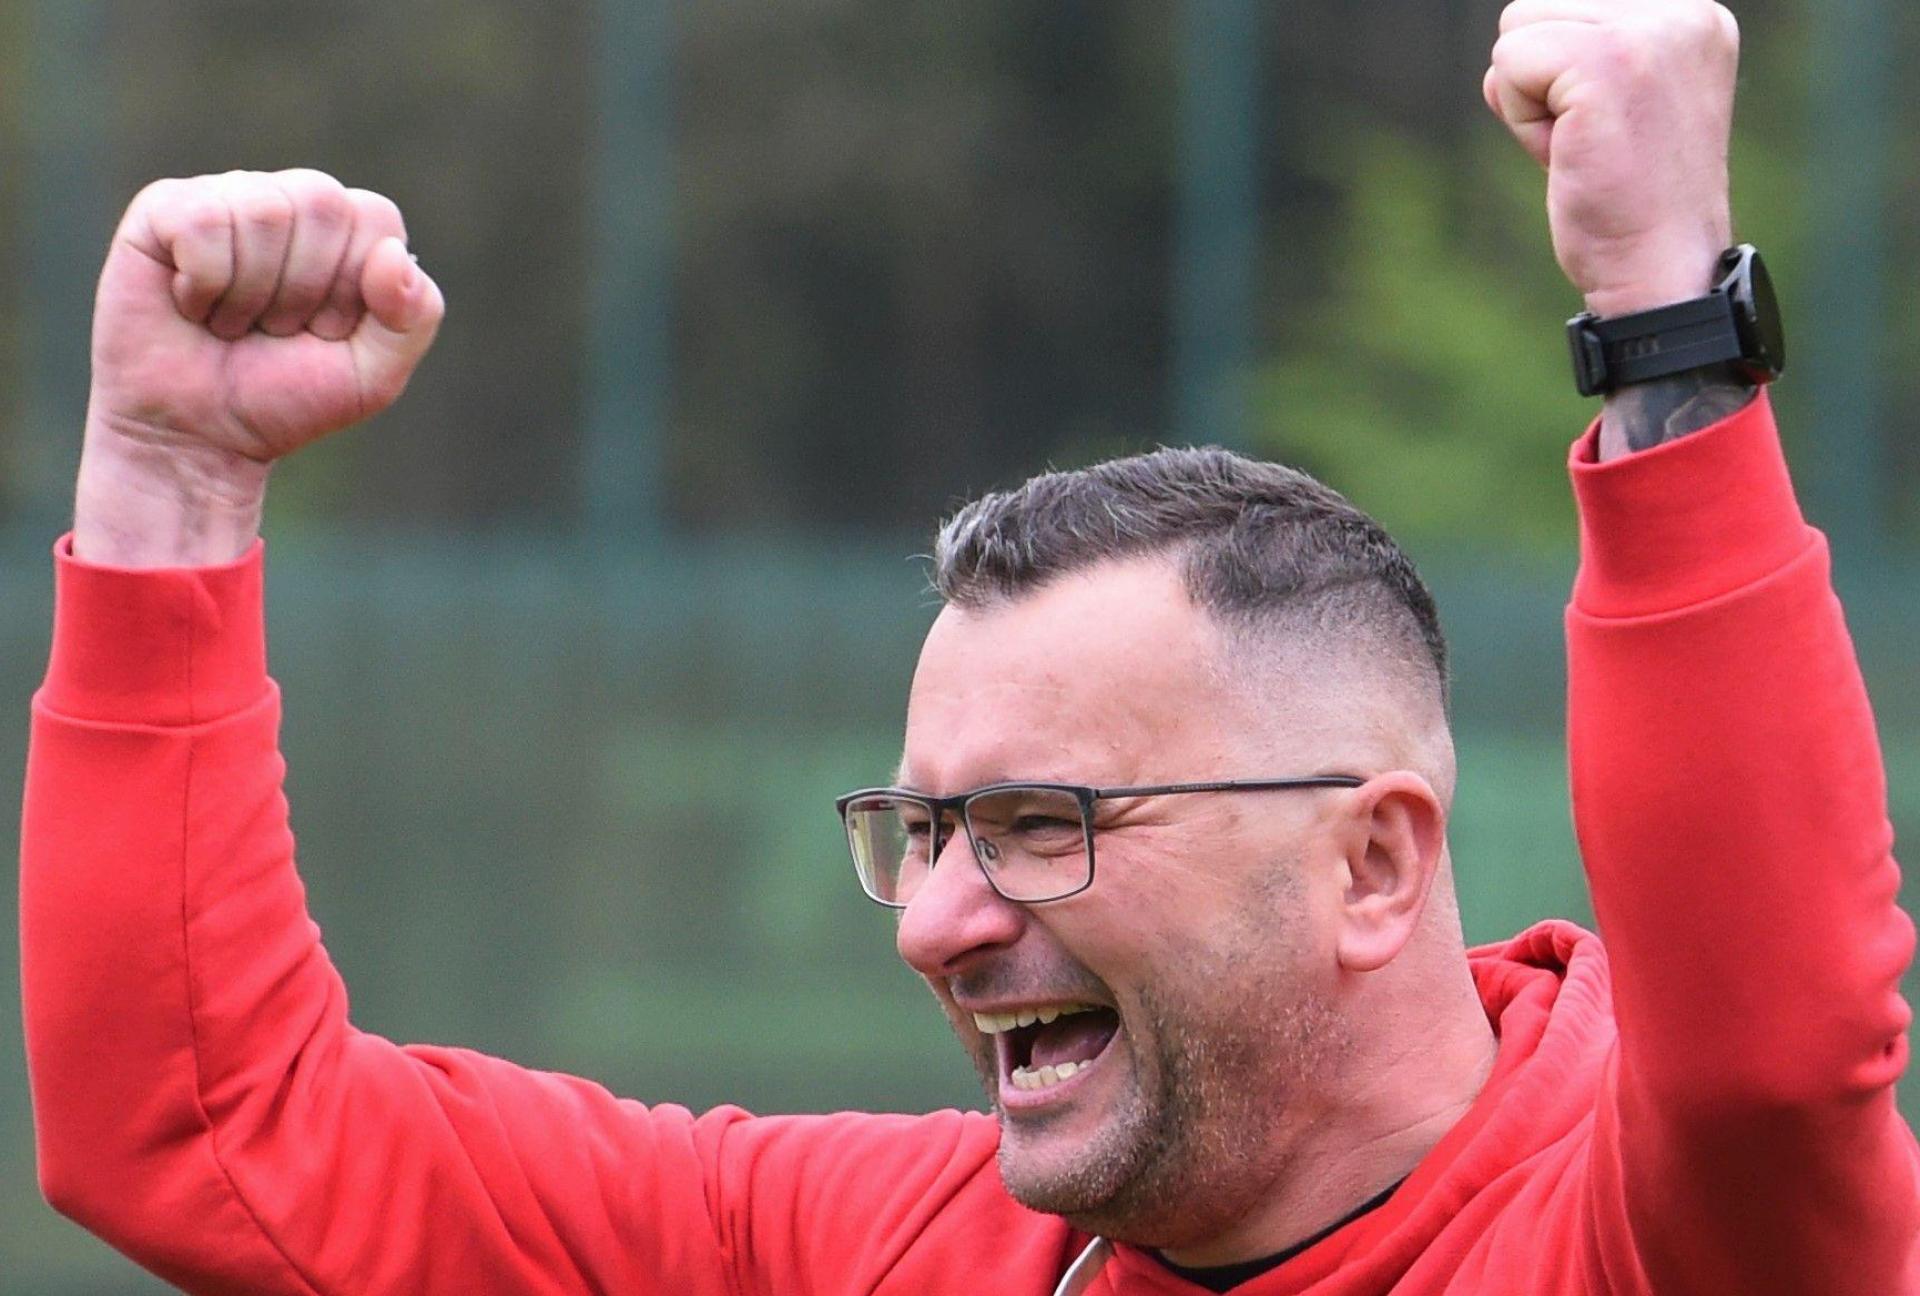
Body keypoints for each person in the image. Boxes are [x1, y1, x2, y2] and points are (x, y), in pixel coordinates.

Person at [20, 1, 1917, 1292]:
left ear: (1371, 861)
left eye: (1040, 822)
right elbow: (205, 1133)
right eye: (920, 831)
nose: (937, 919)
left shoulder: (1648, 1238)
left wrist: (1668, 318)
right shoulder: (887, 1243)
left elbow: (1768, 1060)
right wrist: (171, 484)